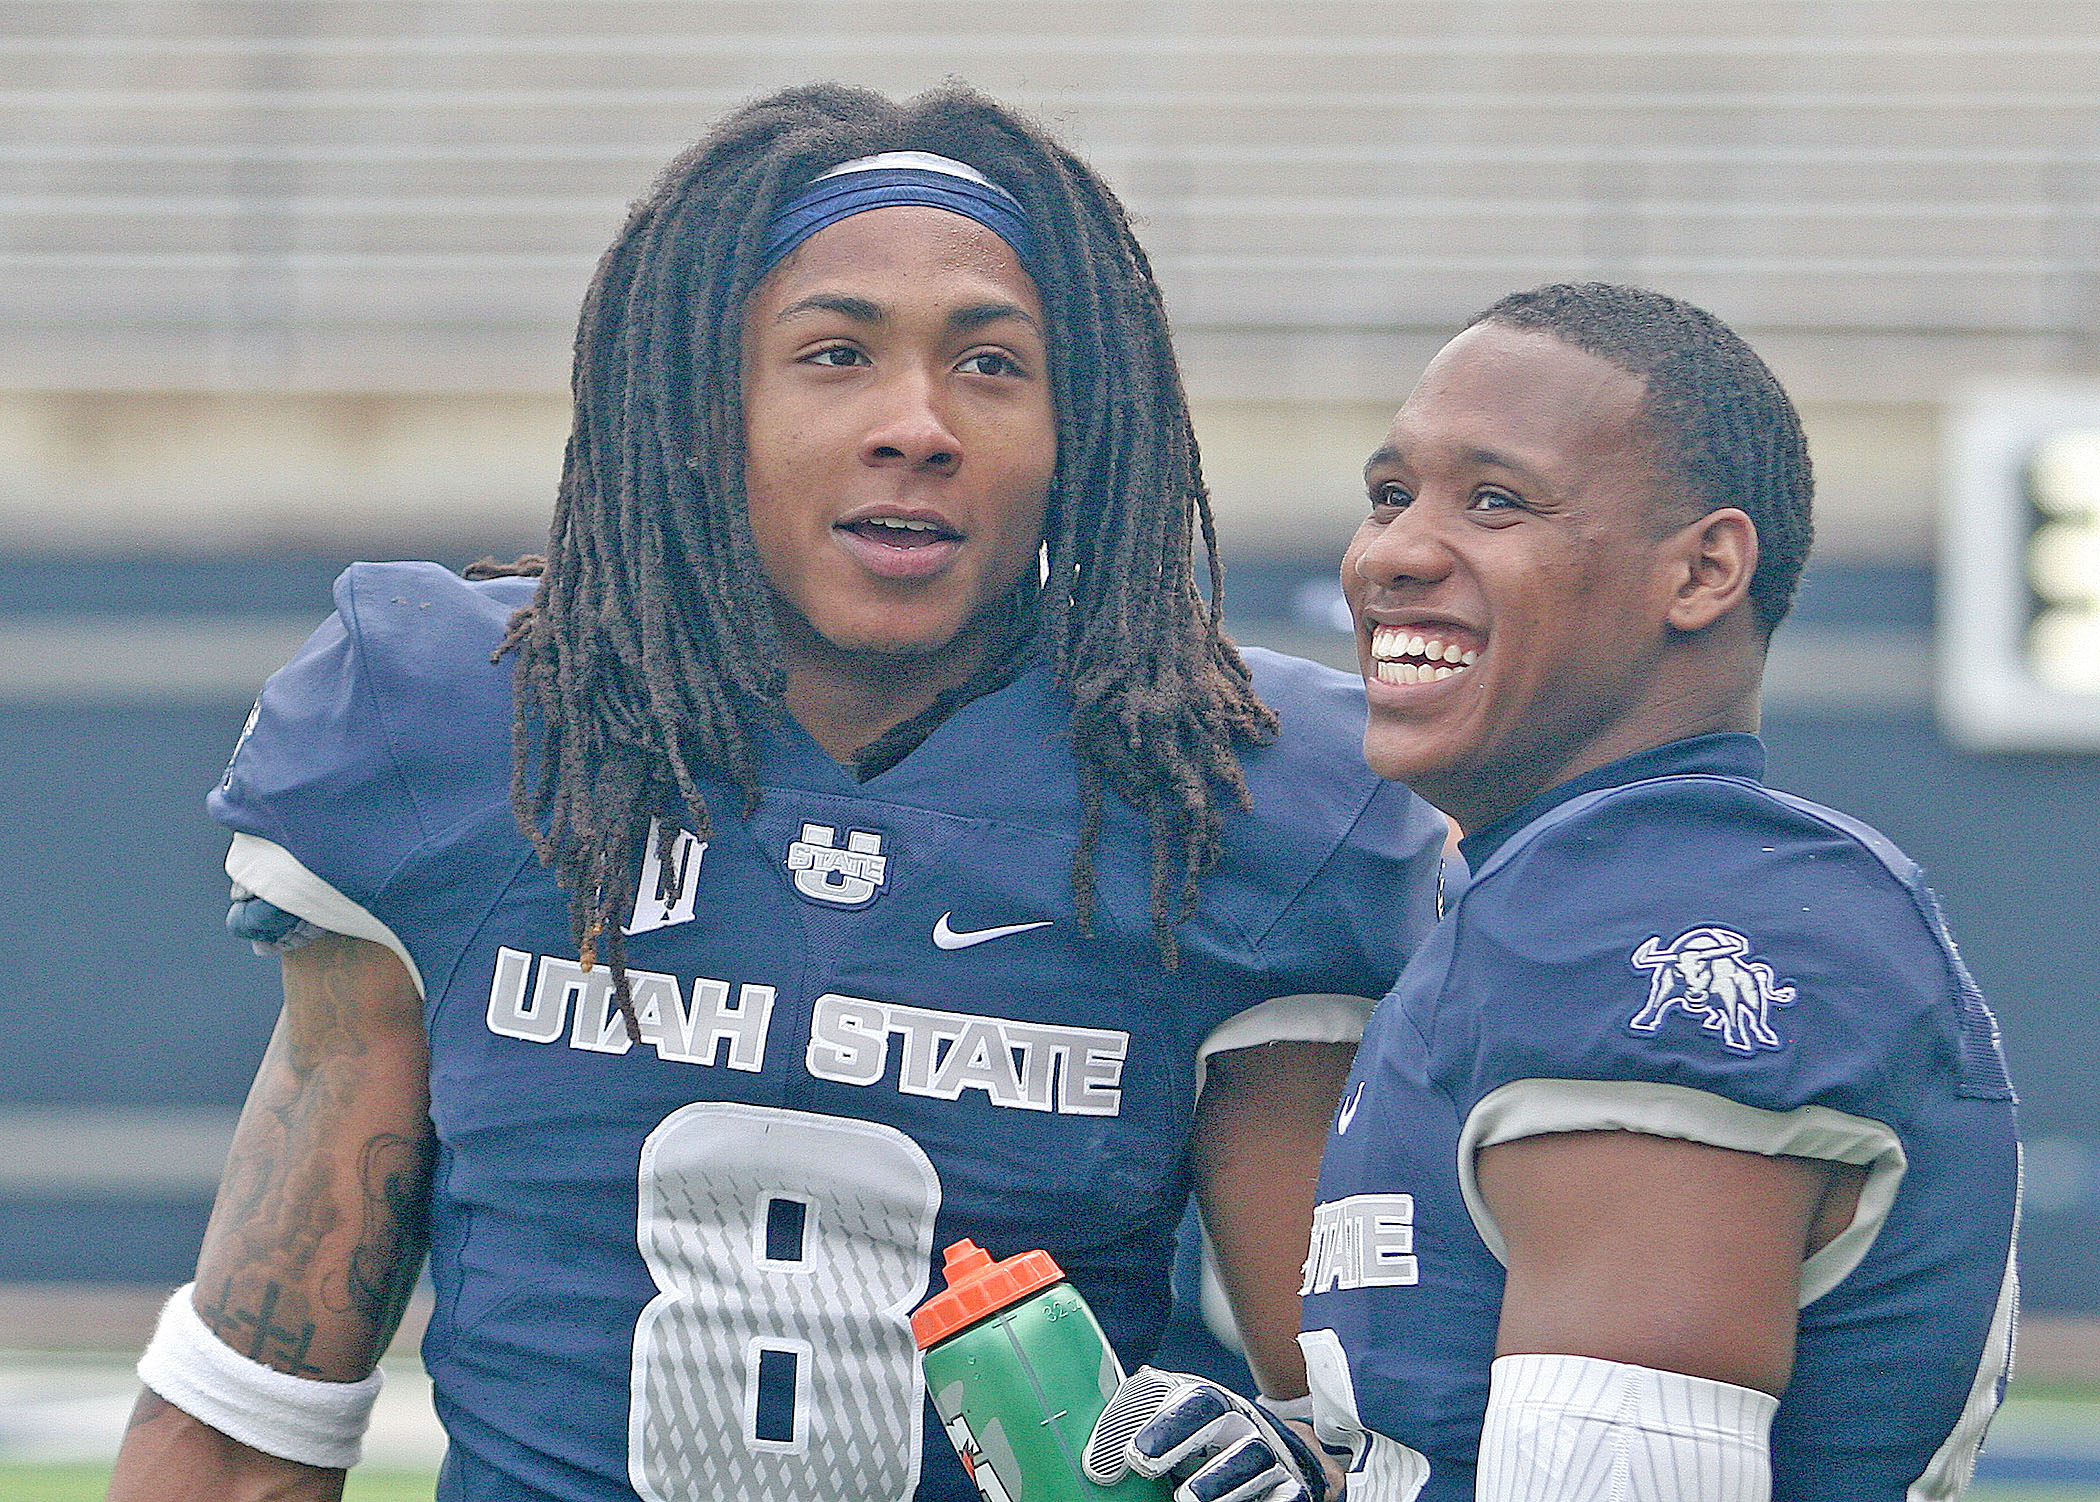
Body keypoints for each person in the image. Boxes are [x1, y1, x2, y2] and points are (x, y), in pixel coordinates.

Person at [104, 84, 1449, 1502]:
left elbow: (1368, 1437)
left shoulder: (1216, 806)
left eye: (993, 364)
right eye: (835, 353)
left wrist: (1311, 1467)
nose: (917, 423)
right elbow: (252, 1418)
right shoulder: (465, 734)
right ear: (703, 405)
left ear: (1081, 435)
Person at [1087, 283, 2019, 1502]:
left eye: (1494, 499)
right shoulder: (1535, 898)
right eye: (1389, 495)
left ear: (1702, 572)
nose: (1395, 554)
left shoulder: (1650, 913)